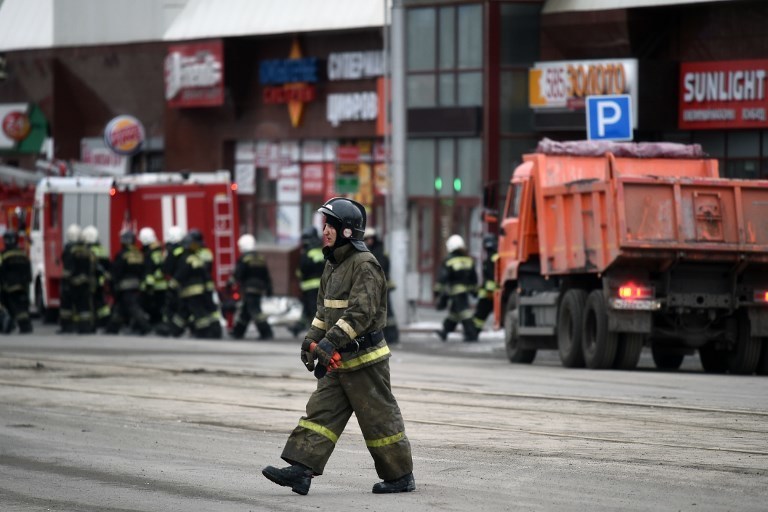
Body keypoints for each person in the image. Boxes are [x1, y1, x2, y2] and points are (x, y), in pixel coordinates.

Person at [262, 197, 415, 496]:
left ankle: (400, 476)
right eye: (325, 224)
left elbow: (361, 312)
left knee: (379, 420)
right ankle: (301, 470)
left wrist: (330, 341)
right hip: (337, 360)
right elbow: (323, 312)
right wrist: (311, 340)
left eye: (332, 224)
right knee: (320, 413)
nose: (326, 230)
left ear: (348, 230)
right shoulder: (332, 264)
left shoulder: (365, 264)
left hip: (366, 360)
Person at [172, 231, 222, 339]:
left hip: (191, 289)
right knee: (186, 311)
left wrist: (173, 284)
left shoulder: (189, 257)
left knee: (198, 312)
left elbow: (182, 272)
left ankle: (203, 332)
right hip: (202, 287)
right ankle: (176, 330)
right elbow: (205, 272)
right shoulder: (198, 256)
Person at [433, 234, 479, 342]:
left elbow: (442, 278)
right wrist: (474, 291)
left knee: (464, 313)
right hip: (465, 290)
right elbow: (474, 278)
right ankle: (445, 331)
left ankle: (471, 334)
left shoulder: (449, 260)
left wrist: (437, 292)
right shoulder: (468, 260)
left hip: (455, 291)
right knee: (454, 314)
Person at [229, 233, 274, 340]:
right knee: (245, 311)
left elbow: (239, 273)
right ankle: (237, 332)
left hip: (249, 288)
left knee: (255, 311)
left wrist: (231, 282)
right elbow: (266, 275)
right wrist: (269, 288)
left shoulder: (244, 258)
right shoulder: (260, 258)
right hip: (259, 288)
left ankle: (266, 332)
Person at [106, 230, 151, 335]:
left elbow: (116, 270)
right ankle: (112, 328)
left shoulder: (123, 254)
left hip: (125, 285)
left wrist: (113, 283)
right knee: (120, 307)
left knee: (132, 307)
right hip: (137, 284)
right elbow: (144, 269)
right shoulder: (139, 254)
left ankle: (145, 327)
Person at [363, 227, 399, 344]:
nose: (369, 241)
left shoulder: (379, 251)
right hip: (372, 287)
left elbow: (382, 266)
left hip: (382, 286)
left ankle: (392, 336)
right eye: (366, 239)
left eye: (370, 238)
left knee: (387, 312)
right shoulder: (368, 251)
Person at [290, 226, 325, 337]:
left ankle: (317, 332)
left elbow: (301, 271)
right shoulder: (321, 252)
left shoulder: (306, 254)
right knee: (308, 309)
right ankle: (298, 327)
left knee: (312, 310)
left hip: (309, 287)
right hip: (320, 286)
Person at [0, 230, 33, 333]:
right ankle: (25, 327)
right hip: (22, 286)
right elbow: (28, 270)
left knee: (8, 307)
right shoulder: (22, 254)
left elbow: (1, 270)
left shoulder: (3, 255)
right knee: (22, 308)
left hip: (8, 286)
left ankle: (8, 325)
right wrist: (27, 282)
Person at [81, 225, 112, 330]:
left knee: (93, 301)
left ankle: (94, 322)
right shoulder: (102, 249)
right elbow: (107, 264)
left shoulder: (89, 251)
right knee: (101, 302)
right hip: (103, 280)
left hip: (93, 281)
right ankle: (105, 320)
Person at [139, 226, 167, 330]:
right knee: (159, 306)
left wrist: (148, 286)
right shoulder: (159, 251)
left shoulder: (149, 253)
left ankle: (153, 325)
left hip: (154, 286)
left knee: (151, 306)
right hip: (162, 285)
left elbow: (149, 270)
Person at [471, 234, 498, 334]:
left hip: (489, 293)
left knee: (480, 314)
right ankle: (473, 332)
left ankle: (473, 332)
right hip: (490, 292)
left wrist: (489, 291)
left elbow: (491, 277)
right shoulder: (495, 256)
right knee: (481, 314)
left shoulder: (491, 258)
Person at [58, 224, 82, 333]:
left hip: (68, 282)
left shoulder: (68, 249)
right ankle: (77, 325)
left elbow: (64, 263)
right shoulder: (82, 248)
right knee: (78, 305)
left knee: (66, 307)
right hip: (79, 282)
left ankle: (66, 327)